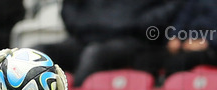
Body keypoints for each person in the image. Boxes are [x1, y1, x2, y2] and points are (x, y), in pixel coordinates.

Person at [35, 0, 181, 85]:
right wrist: (89, 26)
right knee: (39, 52)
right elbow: (69, 10)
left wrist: (128, 25)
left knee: (94, 54)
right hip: (84, 36)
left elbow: (168, 9)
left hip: (133, 40)